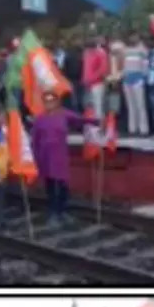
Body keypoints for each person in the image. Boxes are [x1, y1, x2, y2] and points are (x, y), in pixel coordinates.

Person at [31, 91, 96, 227]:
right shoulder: (40, 119)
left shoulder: (64, 114)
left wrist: (99, 121)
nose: (50, 104)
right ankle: (53, 213)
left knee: (63, 185)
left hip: (60, 156)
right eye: (47, 101)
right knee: (51, 186)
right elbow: (35, 140)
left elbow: (80, 120)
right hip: (45, 157)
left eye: (52, 101)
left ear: (57, 102)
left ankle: (62, 210)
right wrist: (35, 159)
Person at [119, 32, 150, 136]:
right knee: (130, 105)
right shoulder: (125, 50)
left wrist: (143, 77)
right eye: (132, 36)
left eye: (135, 36)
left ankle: (143, 129)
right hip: (127, 79)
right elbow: (122, 64)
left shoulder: (142, 50)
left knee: (140, 105)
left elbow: (145, 65)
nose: (133, 38)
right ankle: (132, 128)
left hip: (138, 79)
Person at [82, 37, 110, 119]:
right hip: (87, 83)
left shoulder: (101, 53)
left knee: (98, 106)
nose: (89, 50)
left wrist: (92, 79)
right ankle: (92, 126)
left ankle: (99, 127)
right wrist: (84, 79)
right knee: (90, 106)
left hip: (97, 83)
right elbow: (86, 68)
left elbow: (103, 69)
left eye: (90, 48)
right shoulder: (86, 53)